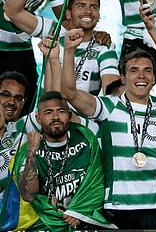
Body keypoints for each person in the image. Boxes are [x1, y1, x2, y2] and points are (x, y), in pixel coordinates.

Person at [60, 31, 156, 229]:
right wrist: (69, 51)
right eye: (134, 71)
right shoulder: (109, 106)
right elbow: (69, 93)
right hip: (118, 208)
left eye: (147, 71)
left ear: (154, 78)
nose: (141, 76)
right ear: (123, 77)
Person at [5, 0, 119, 95]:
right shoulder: (53, 30)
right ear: (68, 13)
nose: (88, 11)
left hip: (80, 109)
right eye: (81, 6)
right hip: (46, 107)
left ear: (98, 15)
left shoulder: (104, 47)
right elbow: (12, 11)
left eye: (93, 7)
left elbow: (113, 93)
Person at [14, 91, 113, 230]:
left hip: (82, 221)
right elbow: (28, 196)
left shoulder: (86, 140)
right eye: (48, 112)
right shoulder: (28, 149)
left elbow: (97, 183)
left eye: (61, 111)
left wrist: (79, 213)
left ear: (70, 115)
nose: (55, 117)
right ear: (38, 118)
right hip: (44, 225)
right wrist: (32, 152)